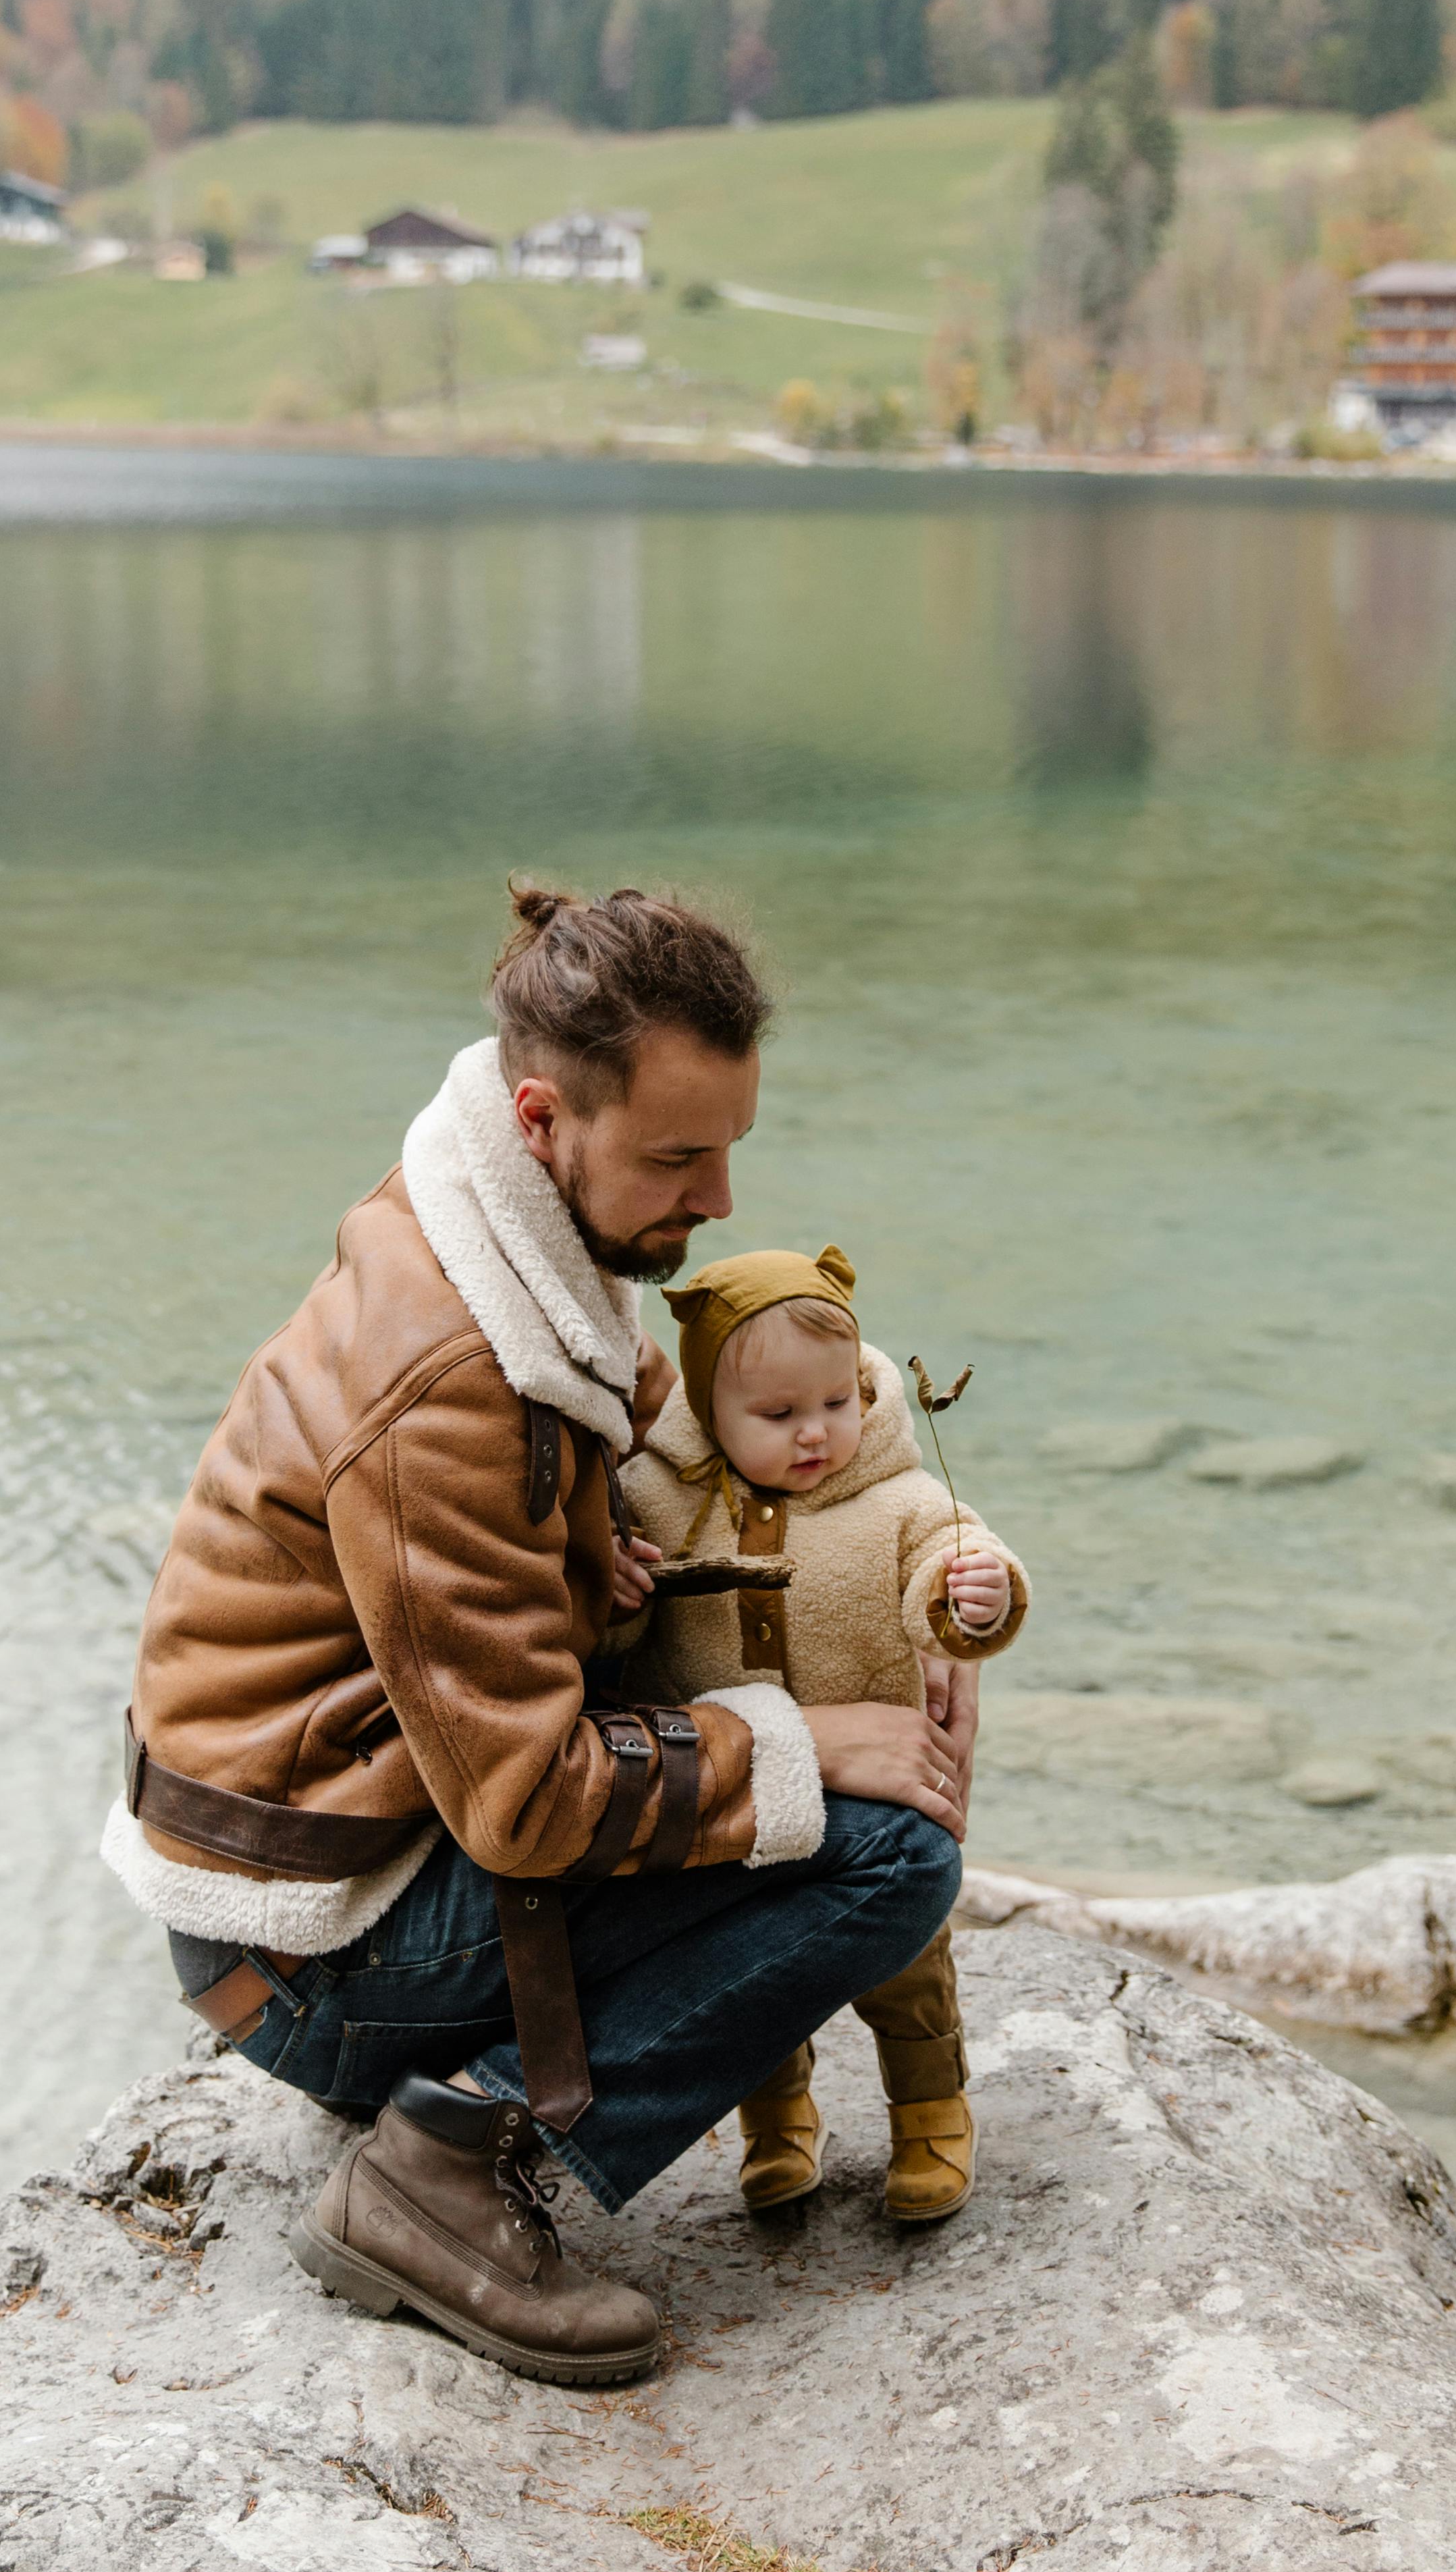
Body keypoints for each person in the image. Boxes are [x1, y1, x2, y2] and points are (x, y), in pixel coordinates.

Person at [101, 880, 969, 2390]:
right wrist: (808, 1739)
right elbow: (526, 1800)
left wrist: (897, 1572)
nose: (716, 1204)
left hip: (321, 1840)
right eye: (678, 1159)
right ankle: (444, 2166)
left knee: (812, 1770)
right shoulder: (451, 1380)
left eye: (730, 1152)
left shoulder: (478, 1227)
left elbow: (633, 1424)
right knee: (894, 1858)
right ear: (542, 1118)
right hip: (307, 1949)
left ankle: (448, 2101)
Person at [608, 1243, 1028, 2224]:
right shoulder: (659, 1499)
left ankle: (929, 2113)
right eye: (779, 1415)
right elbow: (622, 1640)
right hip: (736, 1789)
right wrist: (616, 1592)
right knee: (755, 1963)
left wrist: (977, 1595)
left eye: (836, 1404)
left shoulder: (895, 1497)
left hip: (876, 1788)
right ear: (708, 1410)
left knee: (903, 1966)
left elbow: (944, 1574)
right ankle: (776, 2121)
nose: (816, 1434)